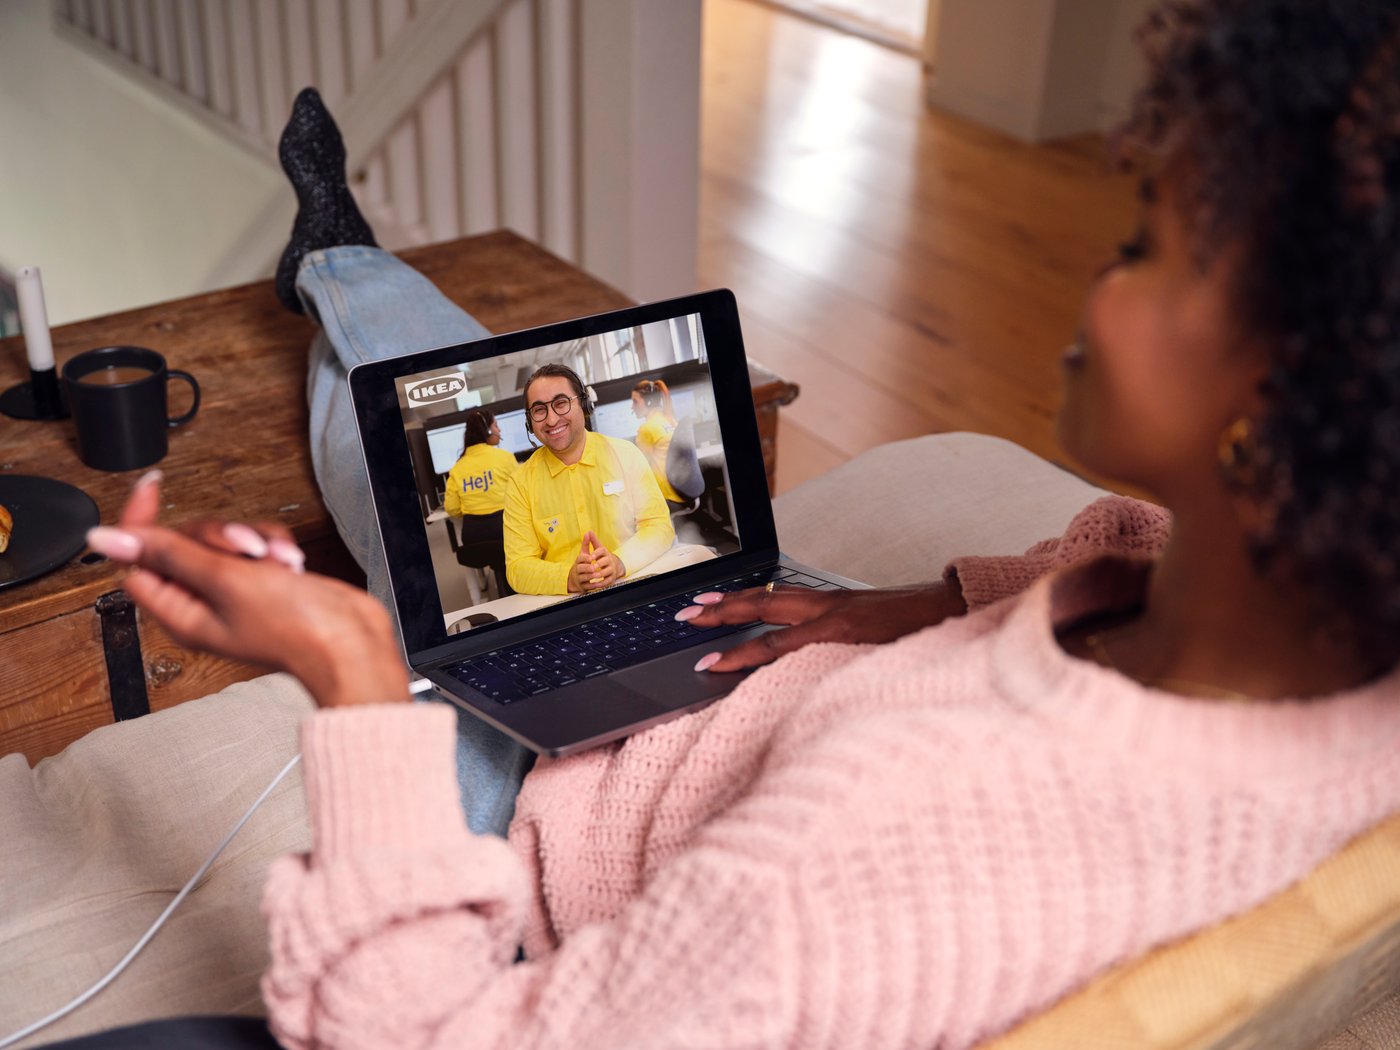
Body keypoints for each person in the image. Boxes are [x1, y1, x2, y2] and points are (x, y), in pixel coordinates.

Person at [71, 3, 1400, 1045]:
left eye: (1144, 246)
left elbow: (437, 1031)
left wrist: (358, 682)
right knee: (462, 428)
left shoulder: (842, 875)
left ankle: (334, 264)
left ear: (1283, 405)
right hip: (819, 683)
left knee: (395, 466)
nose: (1091, 280)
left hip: (615, 800)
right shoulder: (1336, 658)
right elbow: (1121, 556)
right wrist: (909, 605)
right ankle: (354, 273)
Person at [500, 364, 675, 595]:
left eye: (561, 403)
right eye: (539, 410)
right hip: (566, 604)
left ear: (583, 405)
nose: (551, 419)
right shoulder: (521, 483)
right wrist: (568, 578)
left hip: (633, 587)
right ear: (529, 421)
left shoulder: (625, 454)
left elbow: (659, 526)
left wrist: (619, 561)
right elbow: (518, 567)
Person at [442, 408, 516, 598]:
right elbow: (521, 496)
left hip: (475, 540)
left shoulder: (457, 469)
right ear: (488, 431)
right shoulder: (505, 458)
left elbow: (451, 508)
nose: (499, 430)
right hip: (507, 535)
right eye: (496, 425)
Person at [630, 378, 684, 503]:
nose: (632, 407)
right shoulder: (670, 420)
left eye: (635, 402)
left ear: (648, 402)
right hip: (682, 488)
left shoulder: (646, 428)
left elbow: (640, 468)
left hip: (666, 495)